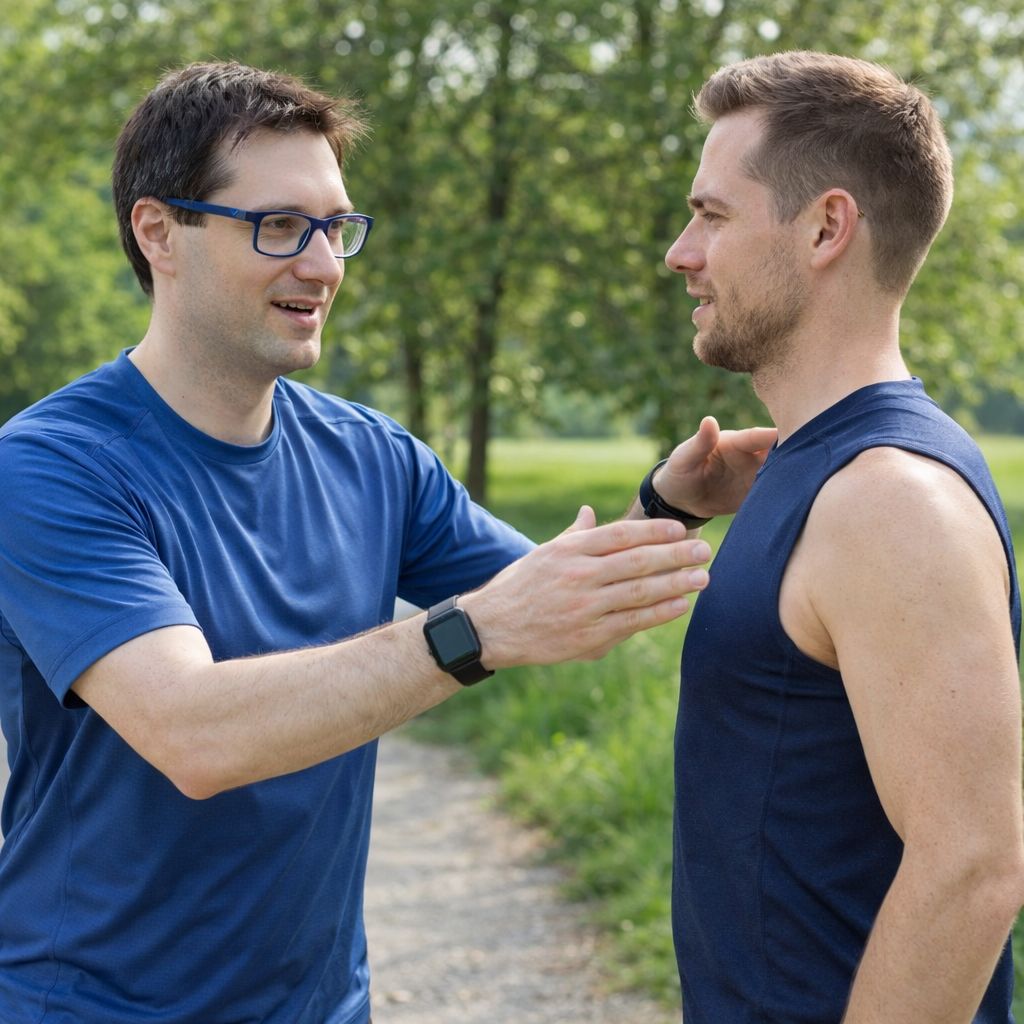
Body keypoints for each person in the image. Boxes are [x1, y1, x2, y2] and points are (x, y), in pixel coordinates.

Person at [0, 62, 774, 1024]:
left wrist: (665, 507)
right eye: (279, 227)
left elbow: (543, 600)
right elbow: (193, 734)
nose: (323, 266)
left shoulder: (372, 455)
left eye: (336, 229)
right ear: (159, 232)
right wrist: (471, 635)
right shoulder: (50, 468)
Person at [657, 50, 1023, 1022]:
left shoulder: (888, 501)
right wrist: (666, 509)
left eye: (711, 214)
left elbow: (974, 866)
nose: (679, 252)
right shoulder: (815, 468)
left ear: (825, 227)